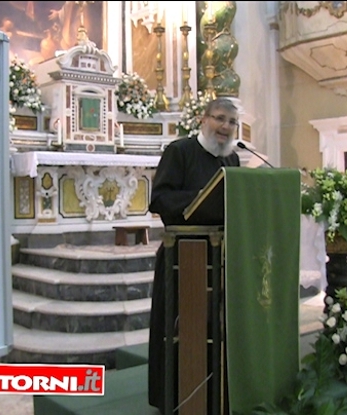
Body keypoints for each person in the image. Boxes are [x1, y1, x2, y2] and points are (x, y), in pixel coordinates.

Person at [147, 97, 240, 413]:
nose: (225, 127)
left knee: (217, 333)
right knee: (185, 335)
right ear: (204, 119)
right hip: (184, 261)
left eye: (231, 122)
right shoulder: (180, 152)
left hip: (222, 260)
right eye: (220, 118)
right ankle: (177, 397)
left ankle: (218, 393)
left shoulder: (232, 162)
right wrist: (201, 197)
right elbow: (159, 199)